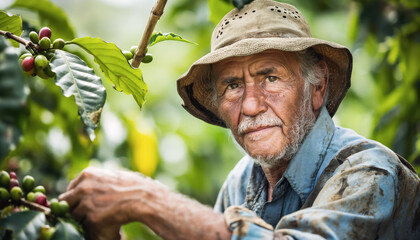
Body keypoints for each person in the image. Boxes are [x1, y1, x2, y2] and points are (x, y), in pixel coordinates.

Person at [59, 0, 420, 239]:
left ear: (318, 86)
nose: (250, 105)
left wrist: (147, 199)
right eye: (233, 85)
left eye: (271, 78)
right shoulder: (242, 183)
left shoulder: (369, 174)